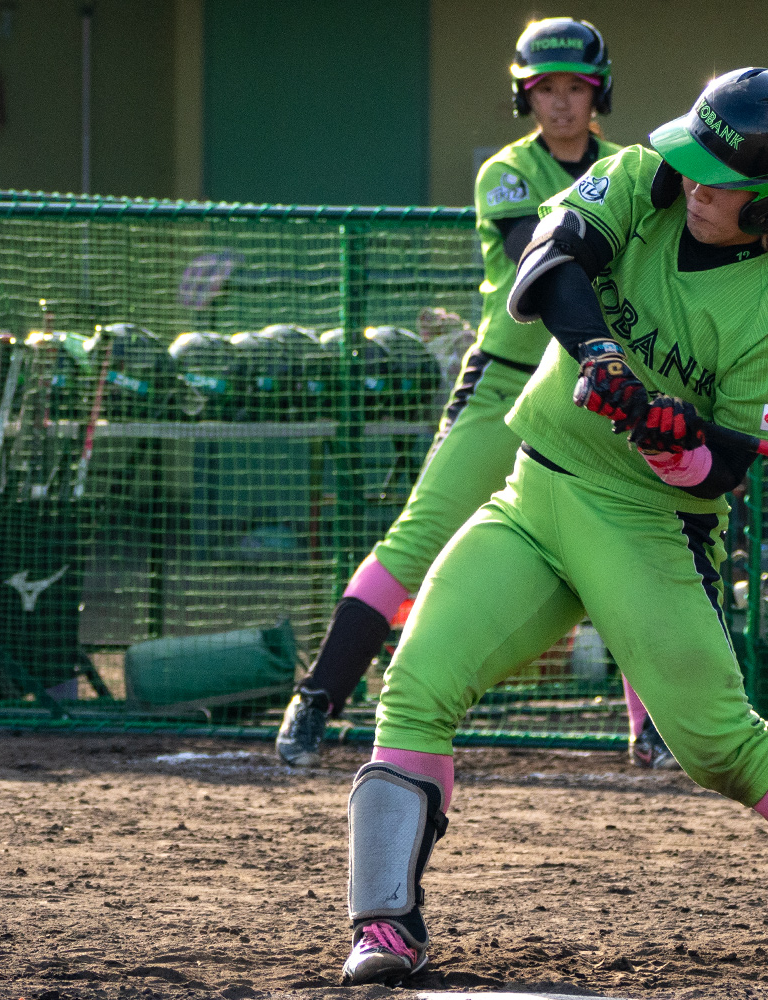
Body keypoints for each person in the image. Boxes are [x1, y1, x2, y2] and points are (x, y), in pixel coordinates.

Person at [339, 68, 768, 988]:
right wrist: (600, 355)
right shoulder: (646, 178)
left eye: (723, 179)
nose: (696, 184)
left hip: (647, 526)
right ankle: (386, 925)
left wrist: (668, 435)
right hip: (537, 488)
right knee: (419, 682)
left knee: (717, 744)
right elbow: (548, 263)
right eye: (694, 163)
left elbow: (726, 471)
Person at [276, 16, 674, 771]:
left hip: (600, 388)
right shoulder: (508, 172)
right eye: (545, 89)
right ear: (525, 96)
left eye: (575, 88)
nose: (560, 104)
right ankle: (317, 700)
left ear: (600, 93)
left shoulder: (632, 166)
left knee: (632, 544)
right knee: (416, 541)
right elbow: (550, 262)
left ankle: (654, 729)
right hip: (506, 382)